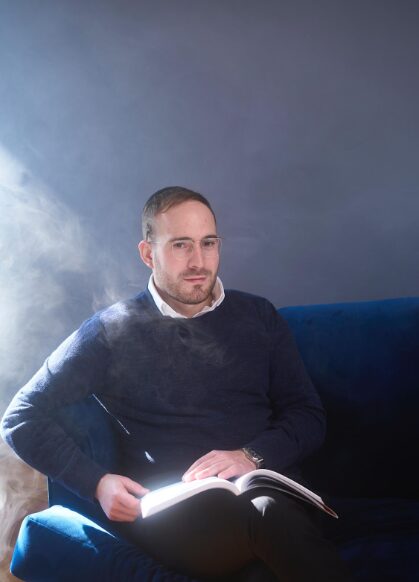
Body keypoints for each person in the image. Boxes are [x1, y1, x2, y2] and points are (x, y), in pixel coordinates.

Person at [1, 187, 351, 581]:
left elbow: (308, 416)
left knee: (269, 520)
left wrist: (249, 456)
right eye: (181, 245)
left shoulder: (258, 316)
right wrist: (97, 483)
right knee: (268, 517)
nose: (198, 261)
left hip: (270, 493)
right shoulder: (110, 332)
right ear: (148, 254)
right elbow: (20, 417)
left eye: (208, 243)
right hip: (178, 519)